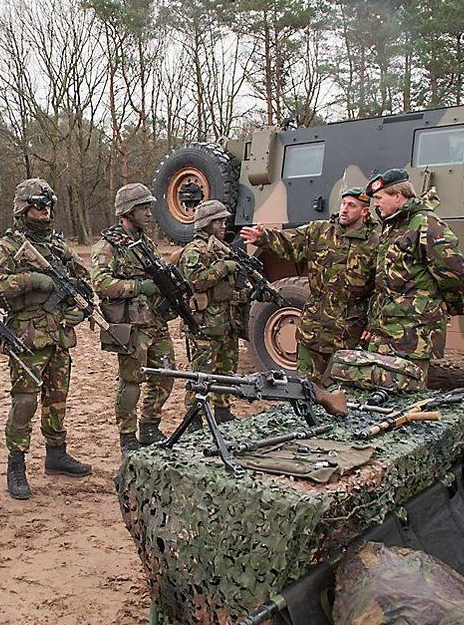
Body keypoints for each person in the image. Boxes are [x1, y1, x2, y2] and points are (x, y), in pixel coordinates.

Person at [0, 178, 93, 499]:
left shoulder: (58, 246)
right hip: (27, 338)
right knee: (25, 401)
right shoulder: (10, 248)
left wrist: (80, 311)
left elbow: (83, 282)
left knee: (57, 399)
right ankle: (16, 464)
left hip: (59, 336)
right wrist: (32, 280)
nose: (43, 214)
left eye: (47, 207)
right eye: (37, 207)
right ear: (23, 209)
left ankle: (56, 454)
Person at [328, 169, 464, 390]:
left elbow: (454, 273)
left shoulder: (426, 224)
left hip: (413, 334)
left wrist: (441, 307)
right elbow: (384, 284)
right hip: (386, 331)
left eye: (379, 198)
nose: (376, 205)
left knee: (408, 397)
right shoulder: (392, 227)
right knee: (381, 397)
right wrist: (374, 323)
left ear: (398, 196)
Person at [240, 186, 380, 380]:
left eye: (352, 205)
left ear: (365, 211)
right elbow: (291, 242)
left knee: (339, 391)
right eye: (343, 203)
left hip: (348, 333)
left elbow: (379, 289)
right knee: (304, 387)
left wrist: (372, 324)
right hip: (314, 328)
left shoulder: (374, 243)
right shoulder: (320, 231)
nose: (344, 209)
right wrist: (264, 238)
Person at [90, 183, 175, 452]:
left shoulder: (145, 242)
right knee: (131, 382)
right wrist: (138, 287)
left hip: (156, 322)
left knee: (165, 374)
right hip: (132, 325)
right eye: (143, 207)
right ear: (128, 210)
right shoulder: (108, 246)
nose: (149, 212)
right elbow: (101, 283)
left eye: (149, 206)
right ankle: (127, 436)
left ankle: (150, 426)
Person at [177, 200, 246, 423]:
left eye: (224, 221)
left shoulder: (221, 249)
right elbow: (196, 281)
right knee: (201, 373)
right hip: (205, 325)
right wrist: (224, 267)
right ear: (207, 223)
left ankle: (223, 411)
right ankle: (193, 418)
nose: (224, 225)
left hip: (226, 322)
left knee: (225, 372)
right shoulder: (194, 251)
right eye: (219, 221)